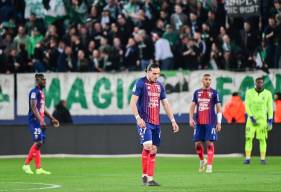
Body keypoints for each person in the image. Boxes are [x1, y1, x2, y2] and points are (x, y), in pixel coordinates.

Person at [130, 63, 179, 186]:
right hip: (144, 122)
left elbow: (166, 104)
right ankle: (145, 178)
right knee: (147, 146)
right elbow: (132, 103)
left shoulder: (159, 86)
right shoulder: (140, 83)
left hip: (156, 122)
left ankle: (149, 178)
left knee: (153, 149)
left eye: (158, 73)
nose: (157, 76)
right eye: (154, 73)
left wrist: (172, 120)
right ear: (148, 71)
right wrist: (137, 118)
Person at [22, 74, 59, 175]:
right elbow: (33, 108)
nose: (45, 81)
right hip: (34, 120)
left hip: (40, 120)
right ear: (38, 81)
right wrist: (41, 120)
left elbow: (42, 108)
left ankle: (38, 168)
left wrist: (52, 118)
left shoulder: (41, 93)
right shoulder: (34, 92)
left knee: (40, 143)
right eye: (43, 80)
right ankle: (26, 165)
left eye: (45, 79)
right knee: (38, 142)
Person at [189, 74, 222, 173]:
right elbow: (192, 106)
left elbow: (219, 108)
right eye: (206, 79)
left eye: (209, 80)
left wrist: (219, 122)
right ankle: (203, 160)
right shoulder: (196, 92)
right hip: (199, 122)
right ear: (202, 80)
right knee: (197, 144)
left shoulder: (215, 93)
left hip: (210, 122)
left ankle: (210, 166)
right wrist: (190, 118)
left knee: (209, 142)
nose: (208, 81)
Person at [244, 77, 273, 165]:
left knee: (262, 139)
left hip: (262, 120)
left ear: (263, 83)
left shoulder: (268, 93)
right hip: (251, 120)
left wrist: (270, 120)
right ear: (255, 83)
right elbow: (247, 106)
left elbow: (270, 107)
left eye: (261, 83)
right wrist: (251, 117)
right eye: (258, 83)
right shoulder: (249, 92)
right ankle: (248, 158)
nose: (259, 84)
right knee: (248, 139)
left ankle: (263, 159)